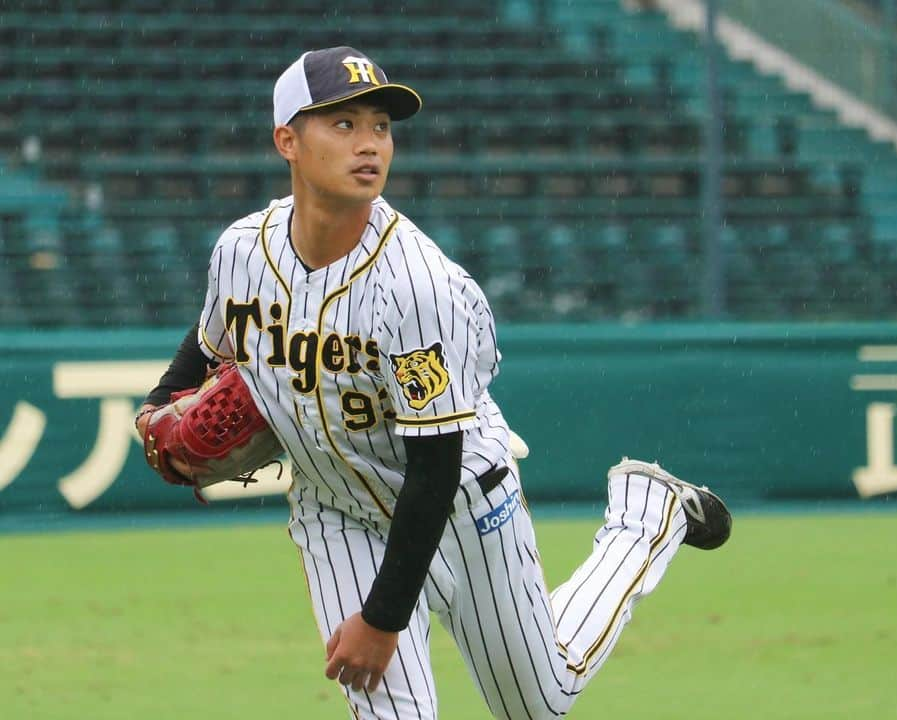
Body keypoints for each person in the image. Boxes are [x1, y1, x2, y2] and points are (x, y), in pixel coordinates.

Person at [136, 47, 731, 720]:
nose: (370, 144)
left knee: (540, 703)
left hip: (460, 504)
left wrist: (382, 620)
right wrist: (161, 401)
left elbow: (435, 466)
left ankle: (645, 516)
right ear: (287, 141)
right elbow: (213, 333)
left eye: (381, 126)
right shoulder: (243, 250)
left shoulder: (417, 286)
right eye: (344, 124)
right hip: (338, 511)